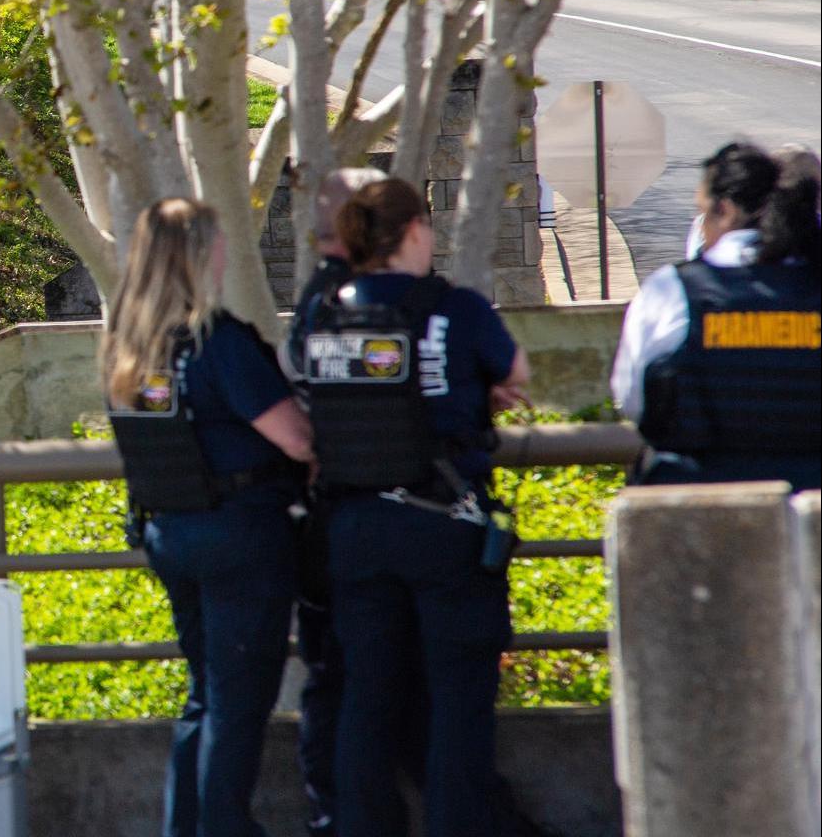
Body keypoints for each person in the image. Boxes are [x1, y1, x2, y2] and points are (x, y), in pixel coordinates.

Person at [293, 178, 530, 837]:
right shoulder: (454, 307)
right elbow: (516, 373)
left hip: (352, 528)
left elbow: (316, 392)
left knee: (366, 698)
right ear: (416, 231)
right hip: (442, 525)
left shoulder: (324, 310)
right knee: (458, 701)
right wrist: (473, 394)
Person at [104, 199, 315, 837]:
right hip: (239, 536)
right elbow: (298, 439)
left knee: (204, 695)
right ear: (197, 255)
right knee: (237, 705)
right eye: (218, 242)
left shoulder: (129, 347)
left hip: (172, 532)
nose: (226, 252)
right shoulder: (217, 342)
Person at [281, 165, 390, 837]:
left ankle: (334, 812)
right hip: (361, 517)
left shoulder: (314, 303)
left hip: (324, 518)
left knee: (331, 677)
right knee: (361, 680)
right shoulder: (362, 302)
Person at [612, 141, 820, 489]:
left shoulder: (673, 291)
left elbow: (631, 399)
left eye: (702, 212)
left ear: (723, 211)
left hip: (700, 502)